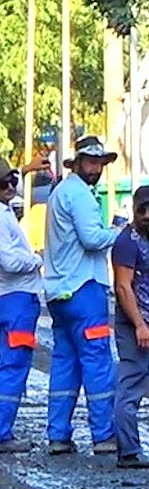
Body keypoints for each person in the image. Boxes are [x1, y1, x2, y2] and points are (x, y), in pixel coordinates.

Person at [42, 135, 120, 455]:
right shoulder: (81, 196)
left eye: (99, 163)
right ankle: (104, 435)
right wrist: (120, 233)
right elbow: (91, 238)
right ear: (78, 163)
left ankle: (58, 435)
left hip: (59, 292)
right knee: (97, 362)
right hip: (84, 289)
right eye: (91, 162)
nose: (96, 169)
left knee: (65, 365)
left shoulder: (60, 193)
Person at [110, 185, 149, 469]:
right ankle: (129, 452)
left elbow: (138, 281)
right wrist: (140, 325)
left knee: (134, 383)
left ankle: (129, 447)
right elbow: (122, 287)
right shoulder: (127, 242)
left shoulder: (142, 241)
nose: (146, 215)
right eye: (142, 209)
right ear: (133, 207)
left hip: (142, 321)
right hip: (134, 324)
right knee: (130, 386)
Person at [0, 160, 40, 454]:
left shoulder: (5, 212)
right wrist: (37, 260)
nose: (11, 187)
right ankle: (2, 433)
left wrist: (26, 171)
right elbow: (11, 262)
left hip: (9, 299)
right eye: (5, 183)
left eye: (12, 181)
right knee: (13, 368)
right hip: (16, 299)